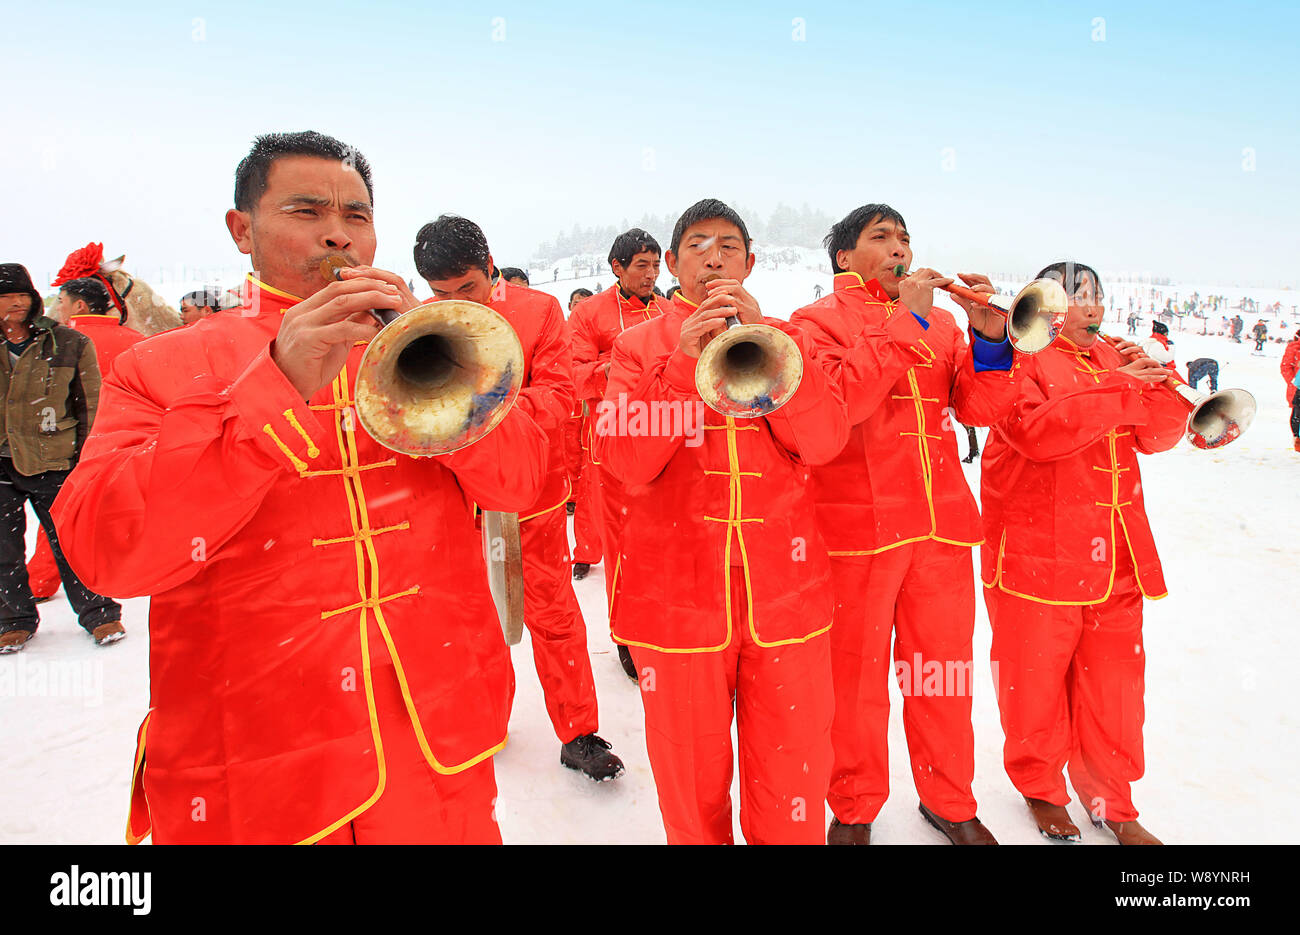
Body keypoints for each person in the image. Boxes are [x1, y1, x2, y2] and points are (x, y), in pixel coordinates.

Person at [52, 131, 550, 843]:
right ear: (241, 229)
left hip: (432, 736)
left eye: (357, 215)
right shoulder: (162, 364)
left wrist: (444, 366)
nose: (338, 235)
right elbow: (108, 550)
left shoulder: (422, 339)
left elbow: (526, 481)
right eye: (308, 211)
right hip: (257, 759)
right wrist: (274, 382)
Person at [595, 198, 848, 844]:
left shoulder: (786, 337)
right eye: (699, 244)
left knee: (793, 773)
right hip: (677, 602)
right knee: (690, 784)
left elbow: (822, 442)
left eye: (729, 245)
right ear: (673, 262)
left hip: (786, 597)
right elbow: (625, 459)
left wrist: (778, 353)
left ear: (752, 261)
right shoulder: (635, 346)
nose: (714, 255)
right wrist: (680, 366)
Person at [789, 204, 1016, 845]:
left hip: (940, 529)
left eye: (905, 238)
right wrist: (906, 320)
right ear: (843, 257)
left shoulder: (944, 324)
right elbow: (838, 409)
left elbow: (978, 409)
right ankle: (854, 807)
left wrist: (989, 338)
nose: (899, 249)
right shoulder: (816, 323)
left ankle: (951, 799)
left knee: (942, 673)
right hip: (856, 533)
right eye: (881, 238)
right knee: (854, 679)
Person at [981, 260, 1186, 846]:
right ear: (1046, 303)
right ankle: (1042, 790)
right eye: (1076, 294)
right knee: (1034, 685)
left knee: (1116, 692)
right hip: (1034, 558)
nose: (1090, 304)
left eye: (1097, 293)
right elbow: (1040, 434)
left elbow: (1157, 436)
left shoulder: (1115, 359)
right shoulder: (1017, 356)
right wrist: (1124, 386)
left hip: (1116, 557)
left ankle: (1112, 800)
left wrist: (1162, 380)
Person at [413, 214, 623, 782]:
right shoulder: (420, 322)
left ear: (491, 269)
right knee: (469, 616)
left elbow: (558, 396)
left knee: (553, 615)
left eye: (467, 289)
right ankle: (486, 720)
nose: (455, 302)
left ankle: (578, 730)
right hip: (456, 503)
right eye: (439, 293)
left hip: (532, 495)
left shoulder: (539, 312)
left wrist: (480, 409)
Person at [0, 265, 123, 653]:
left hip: (56, 458)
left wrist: (89, 460)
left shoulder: (68, 342)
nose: (17, 302)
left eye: (23, 294)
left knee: (73, 542)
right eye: (7, 295)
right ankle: (14, 620)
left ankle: (100, 614)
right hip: (2, 459)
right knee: (4, 548)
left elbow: (90, 404)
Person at [567, 229, 670, 683]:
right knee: (621, 545)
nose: (650, 275)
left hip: (670, 441)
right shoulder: (590, 314)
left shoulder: (669, 311)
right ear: (617, 268)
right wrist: (616, 366)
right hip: (611, 444)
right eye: (640, 266)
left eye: (654, 266)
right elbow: (571, 375)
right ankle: (626, 633)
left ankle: (665, 625)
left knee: (664, 542)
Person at [26, 278, 147, 602]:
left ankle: (39, 580)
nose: (58, 309)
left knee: (61, 515)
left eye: (62, 302)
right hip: (135, 446)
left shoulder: (59, 343)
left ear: (80, 306)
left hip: (75, 445)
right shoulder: (139, 340)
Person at [1282, 328, 1300, 452]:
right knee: (1297, 414)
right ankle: (1297, 440)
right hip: (1297, 387)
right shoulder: (1294, 347)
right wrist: (1294, 382)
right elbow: (1285, 367)